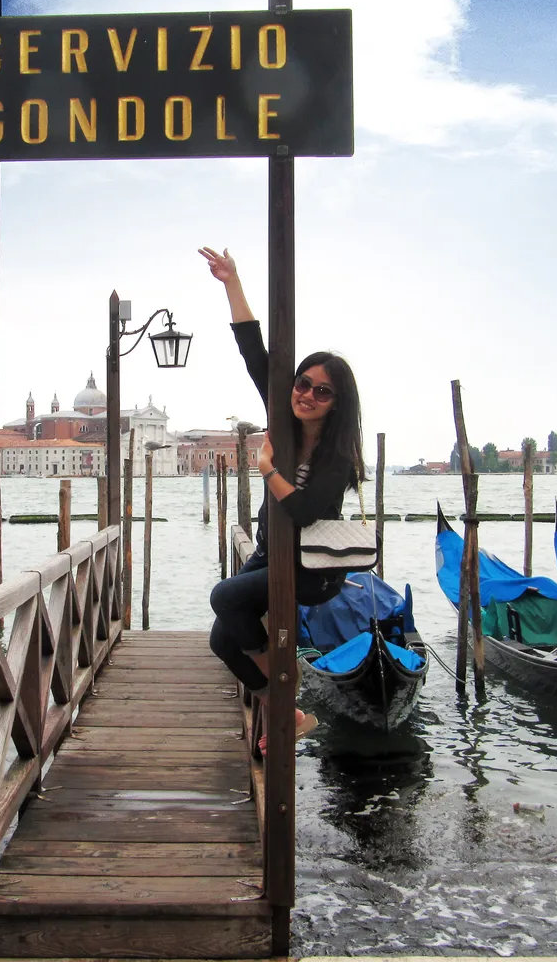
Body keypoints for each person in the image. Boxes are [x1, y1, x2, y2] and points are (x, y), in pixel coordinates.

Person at [198, 245, 365, 753]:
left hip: (313, 568)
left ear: (336, 404)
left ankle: (285, 678)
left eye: (322, 392)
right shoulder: (283, 421)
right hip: (273, 553)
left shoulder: (339, 456)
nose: (307, 395)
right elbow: (253, 350)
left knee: (224, 597)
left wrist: (268, 469)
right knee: (222, 638)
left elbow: (308, 510)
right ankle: (284, 709)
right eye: (303, 383)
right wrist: (231, 282)